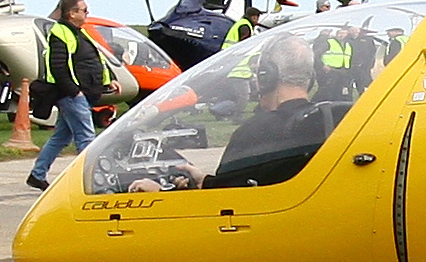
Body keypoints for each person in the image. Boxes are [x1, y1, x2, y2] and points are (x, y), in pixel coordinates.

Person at [132, 35, 327, 192]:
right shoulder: (330, 122)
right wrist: (205, 182)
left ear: (266, 77)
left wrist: (158, 193)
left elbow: (223, 204)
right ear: (310, 80)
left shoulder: (256, 132)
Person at [27, 0, 112, 191]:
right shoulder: (61, 33)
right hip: (72, 95)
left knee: (61, 137)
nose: (87, 13)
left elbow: (91, 61)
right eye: (84, 10)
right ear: (72, 13)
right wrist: (74, 92)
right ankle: (89, 183)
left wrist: (109, 81)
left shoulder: (79, 32)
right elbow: (58, 67)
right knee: (87, 138)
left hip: (81, 93)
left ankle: (37, 175)